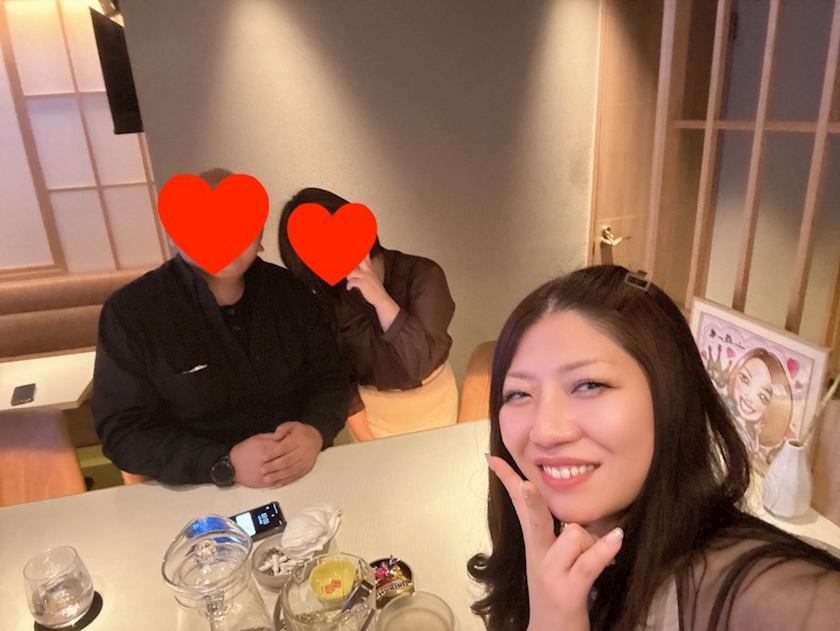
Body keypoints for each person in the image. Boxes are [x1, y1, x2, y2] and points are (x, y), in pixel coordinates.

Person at [467, 265, 840, 631]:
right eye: (518, 394)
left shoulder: (759, 592)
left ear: (671, 397)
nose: (546, 432)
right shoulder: (550, 546)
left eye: (589, 385)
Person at [92, 169, 351, 487]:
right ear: (173, 234)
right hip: (199, 489)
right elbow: (123, 432)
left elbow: (331, 377)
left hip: (303, 474)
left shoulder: (290, 292)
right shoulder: (132, 312)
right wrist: (223, 462)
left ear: (259, 234)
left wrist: (315, 430)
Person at [278, 187, 457, 440]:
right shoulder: (327, 303)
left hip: (434, 405)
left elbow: (421, 363)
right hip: (372, 416)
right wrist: (366, 439)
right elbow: (341, 377)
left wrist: (382, 300)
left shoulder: (423, 275)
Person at [724, 348, 793, 459]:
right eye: (745, 379)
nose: (749, 396)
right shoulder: (727, 416)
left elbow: (754, 449)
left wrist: (756, 434)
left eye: (762, 396)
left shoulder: (751, 433)